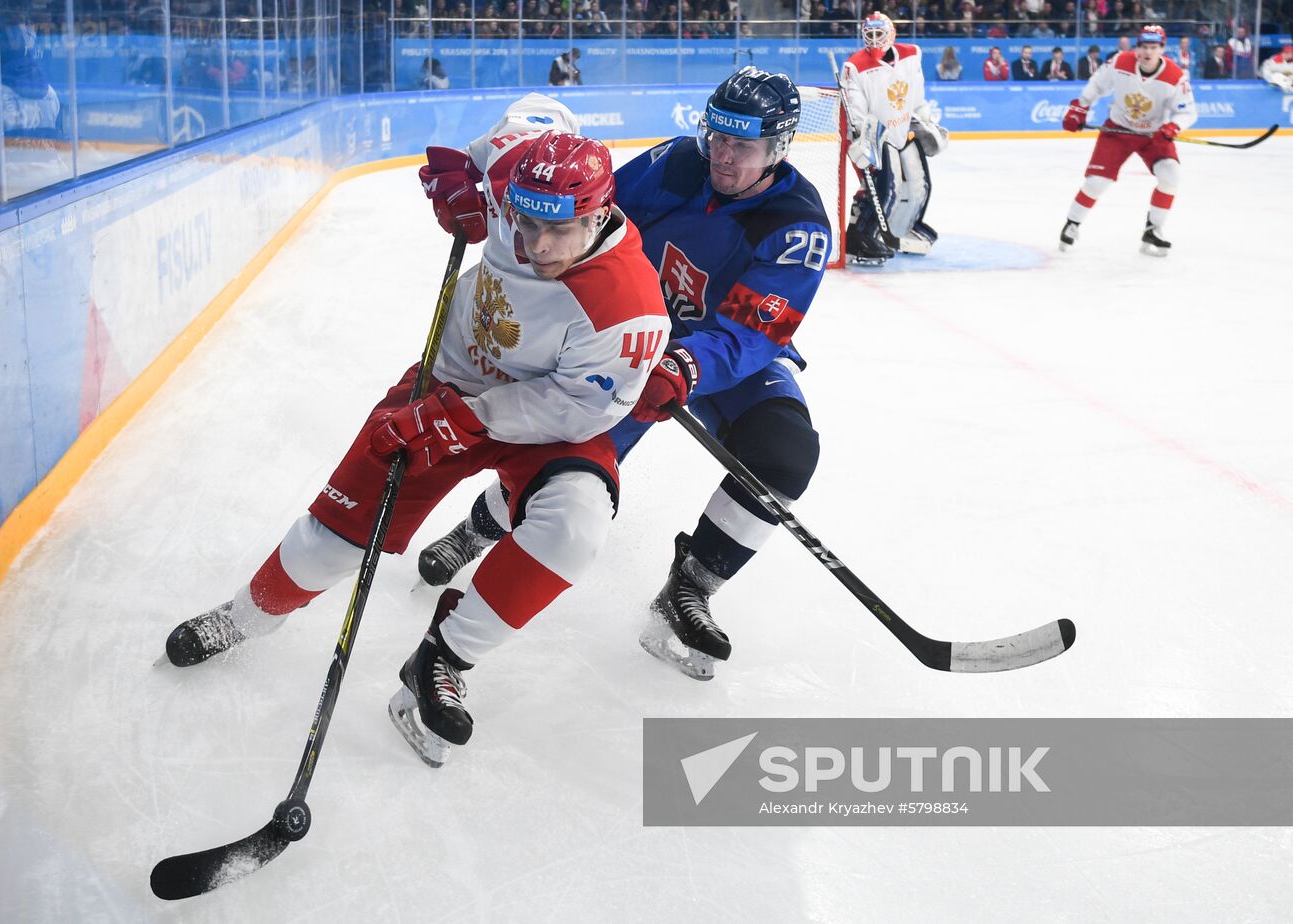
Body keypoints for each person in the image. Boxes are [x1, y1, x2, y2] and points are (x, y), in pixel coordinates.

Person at [162, 94, 669, 768]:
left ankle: (441, 658)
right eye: (522, 222)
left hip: (547, 418)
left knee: (576, 524)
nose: (536, 245)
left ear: (601, 214)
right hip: (453, 378)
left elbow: (577, 412)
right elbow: (532, 114)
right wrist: (456, 177)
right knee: (335, 538)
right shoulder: (521, 175)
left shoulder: (627, 310)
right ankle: (246, 616)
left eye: (561, 231)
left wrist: (471, 420)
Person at [415, 66, 831, 682]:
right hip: (631, 342)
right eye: (717, 136)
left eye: (741, 147)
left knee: (786, 454)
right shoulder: (674, 165)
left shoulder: (797, 224)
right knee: (569, 462)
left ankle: (689, 587)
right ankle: (481, 527)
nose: (722, 154)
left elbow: (754, 329)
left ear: (778, 148)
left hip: (722, 358)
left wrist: (687, 362)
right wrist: (495, 203)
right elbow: (588, 220)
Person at [1059, 24, 1196, 256]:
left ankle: (1153, 230)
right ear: (1138, 47)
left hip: (1153, 135)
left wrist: (1174, 126)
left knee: (1171, 175)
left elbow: (1188, 112)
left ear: (1162, 49)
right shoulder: (1120, 62)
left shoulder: (1175, 77)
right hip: (1118, 131)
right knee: (1096, 183)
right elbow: (1097, 84)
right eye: (1144, 46)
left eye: (1153, 47)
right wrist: (1081, 106)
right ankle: (1072, 224)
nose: (1147, 52)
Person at [841, 13, 949, 264]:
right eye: (870, 34)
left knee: (920, 185)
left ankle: (903, 227)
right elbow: (856, 111)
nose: (875, 39)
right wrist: (860, 137)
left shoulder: (911, 54)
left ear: (891, 33)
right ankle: (862, 236)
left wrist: (925, 121)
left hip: (903, 129)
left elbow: (918, 96)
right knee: (888, 189)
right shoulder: (855, 66)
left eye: (880, 33)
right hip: (878, 135)